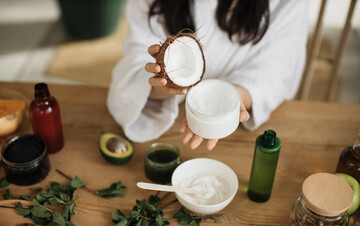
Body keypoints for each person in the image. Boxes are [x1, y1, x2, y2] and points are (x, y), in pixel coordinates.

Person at [107, 0, 308, 150]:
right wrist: (162, 87)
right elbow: (135, 61)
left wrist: (236, 98)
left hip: (241, 137)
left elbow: (278, 67)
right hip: (167, 127)